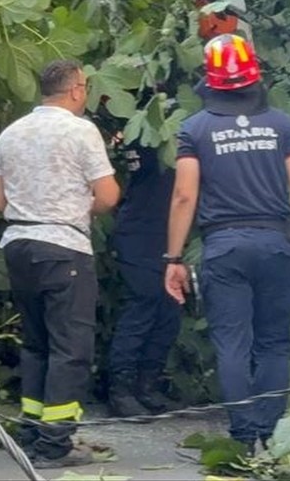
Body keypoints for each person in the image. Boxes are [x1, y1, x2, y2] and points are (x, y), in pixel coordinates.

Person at [164, 33, 290, 452]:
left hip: (223, 247)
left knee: (232, 343)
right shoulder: (281, 124)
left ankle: (242, 438)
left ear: (210, 80)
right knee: (274, 341)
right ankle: (270, 432)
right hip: (276, 244)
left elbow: (185, 195)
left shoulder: (195, 129)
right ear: (255, 76)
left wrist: (173, 257)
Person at [0, 59, 121, 469]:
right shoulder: (81, 131)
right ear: (76, 90)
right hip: (63, 246)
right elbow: (109, 194)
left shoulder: (11, 133)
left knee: (37, 342)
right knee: (70, 345)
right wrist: (84, 208)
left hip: (18, 245)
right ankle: (55, 442)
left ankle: (32, 430)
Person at [106, 137, 182, 417]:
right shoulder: (150, 132)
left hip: (168, 231)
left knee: (168, 310)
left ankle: (147, 386)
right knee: (143, 304)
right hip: (141, 231)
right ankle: (121, 388)